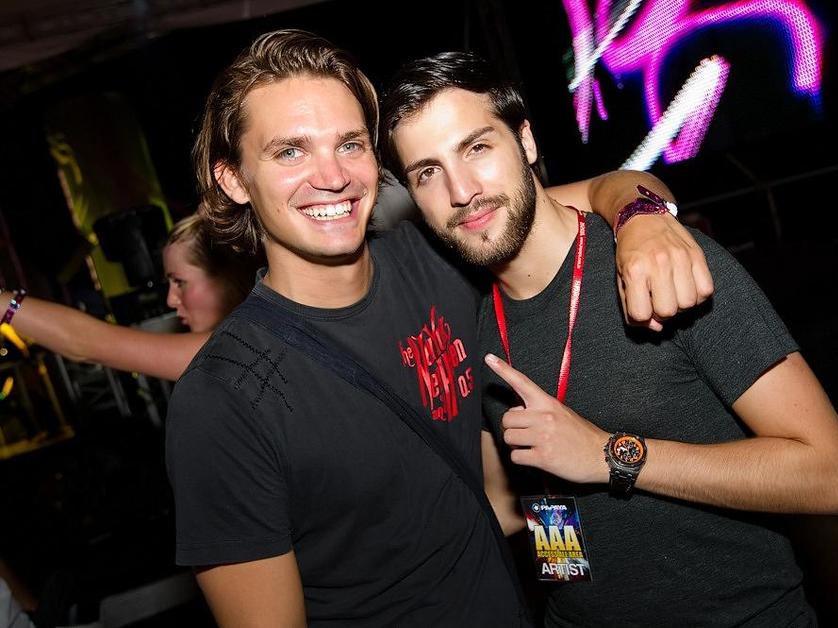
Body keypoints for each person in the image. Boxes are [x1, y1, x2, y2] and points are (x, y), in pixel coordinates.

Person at [165, 30, 713, 627]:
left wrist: (642, 221)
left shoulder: (437, 258)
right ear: (234, 179)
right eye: (290, 152)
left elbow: (607, 190)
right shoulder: (223, 400)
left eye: (349, 144)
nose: (333, 176)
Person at [380, 52, 838, 627]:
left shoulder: (657, 264)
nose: (461, 191)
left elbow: (834, 477)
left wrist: (611, 456)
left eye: (477, 147)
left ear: (525, 142)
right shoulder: (478, 319)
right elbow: (507, 503)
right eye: (428, 172)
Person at [0, 213, 259, 381]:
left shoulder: (239, 349)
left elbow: (85, 342)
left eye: (180, 282)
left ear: (228, 278)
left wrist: (5, 305)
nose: (170, 300)